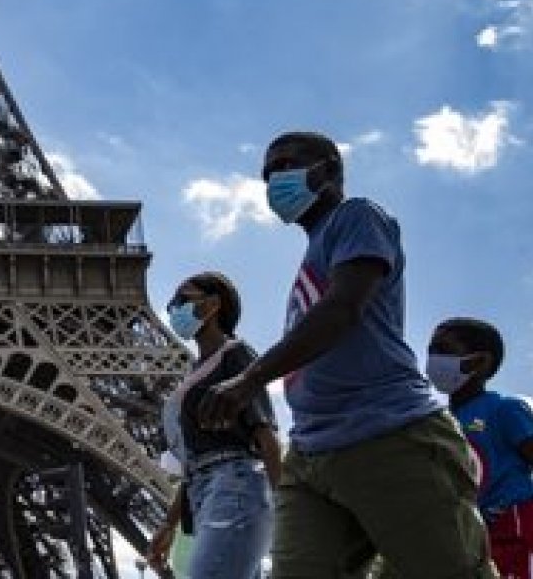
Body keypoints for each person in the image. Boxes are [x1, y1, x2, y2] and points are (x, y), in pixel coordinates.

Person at [196, 130, 497, 578]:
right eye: (267, 173)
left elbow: (343, 310)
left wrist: (249, 380)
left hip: (387, 435)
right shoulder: (312, 255)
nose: (274, 179)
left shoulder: (356, 217)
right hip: (311, 453)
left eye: (286, 165)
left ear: (331, 170)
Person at [149, 271, 281, 579]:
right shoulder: (194, 372)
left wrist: (284, 506)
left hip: (236, 485)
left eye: (183, 300)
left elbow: (266, 436)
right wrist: (169, 525)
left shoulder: (236, 356)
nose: (174, 310)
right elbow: (195, 464)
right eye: (171, 305)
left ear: (213, 305)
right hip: (206, 491)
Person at [428, 317, 533, 578]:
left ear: (481, 361)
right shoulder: (438, 422)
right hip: (465, 536)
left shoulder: (504, 409)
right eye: (431, 351)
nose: (433, 359)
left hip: (510, 524)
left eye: (444, 349)